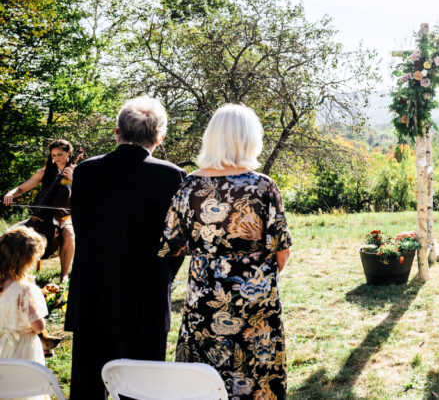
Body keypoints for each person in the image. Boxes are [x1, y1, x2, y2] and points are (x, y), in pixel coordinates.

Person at [159, 103, 292, 399]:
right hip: (255, 302)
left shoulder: (189, 186)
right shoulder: (264, 187)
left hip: (204, 299)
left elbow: (171, 245)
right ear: (250, 139)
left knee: (203, 377)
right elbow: (281, 253)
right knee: (257, 374)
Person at [65, 96, 186, 399]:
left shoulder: (86, 171)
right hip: (146, 295)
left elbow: (81, 226)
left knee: (87, 389)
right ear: (160, 137)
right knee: (142, 390)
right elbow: (176, 244)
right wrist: (162, 274)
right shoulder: (172, 176)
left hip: (91, 292)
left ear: (117, 132)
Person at [3, 140, 77, 281]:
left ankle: (64, 274)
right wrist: (11, 193)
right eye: (53, 155)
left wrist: (73, 180)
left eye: (60, 155)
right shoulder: (45, 171)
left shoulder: (78, 171)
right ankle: (11, 273)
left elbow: (89, 193)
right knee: (8, 234)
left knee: (69, 234)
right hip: (42, 215)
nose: (57, 159)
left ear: (69, 153)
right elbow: (21, 188)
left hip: (65, 216)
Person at [0, 225, 49, 389]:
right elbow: (38, 325)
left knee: (5, 386)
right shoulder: (24, 290)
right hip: (22, 349)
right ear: (25, 260)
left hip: (2, 345)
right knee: (25, 388)